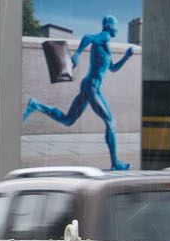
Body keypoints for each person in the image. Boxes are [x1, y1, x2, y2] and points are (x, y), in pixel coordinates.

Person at [23, 15, 136, 170]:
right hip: (91, 88)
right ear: (109, 26)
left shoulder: (106, 46)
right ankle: (115, 162)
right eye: (116, 25)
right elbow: (89, 37)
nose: (117, 28)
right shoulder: (103, 37)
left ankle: (36, 105)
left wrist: (126, 57)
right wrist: (77, 54)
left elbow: (113, 68)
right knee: (111, 122)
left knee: (68, 120)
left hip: (90, 87)